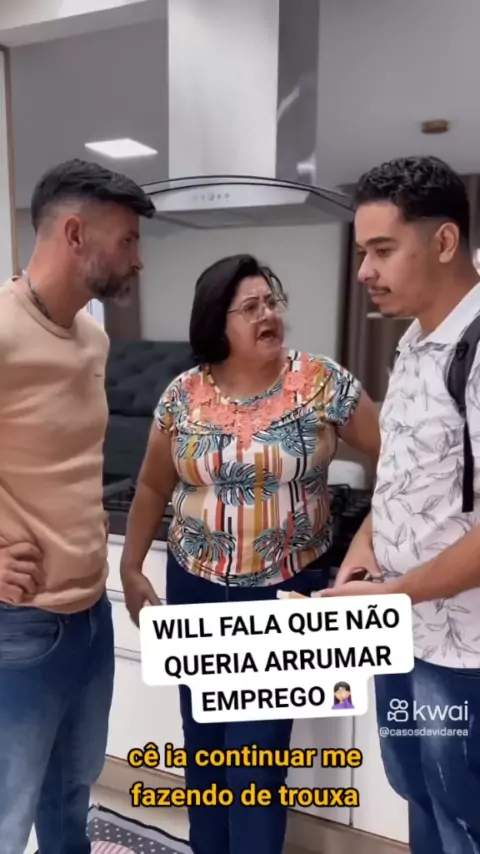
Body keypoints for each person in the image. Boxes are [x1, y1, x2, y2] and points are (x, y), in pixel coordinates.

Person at [120, 253, 379, 854]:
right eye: (251, 307)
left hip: (280, 591)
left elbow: (398, 463)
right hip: (194, 586)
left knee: (255, 763)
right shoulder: (182, 394)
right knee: (205, 749)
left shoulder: (319, 381)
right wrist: (131, 566)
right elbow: (153, 485)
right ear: (218, 321)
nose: (269, 315)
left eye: (272, 302)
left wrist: (368, 541)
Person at [322, 155, 480, 853]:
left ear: (443, 241)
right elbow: (401, 480)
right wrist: (361, 560)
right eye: (363, 253)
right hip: (401, 633)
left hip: (463, 652)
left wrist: (393, 594)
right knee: (419, 792)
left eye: (382, 250)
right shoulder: (415, 341)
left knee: (463, 812)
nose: (365, 271)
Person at [0, 158, 154, 854]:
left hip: (91, 617)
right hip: (19, 626)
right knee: (8, 814)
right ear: (74, 234)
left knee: (71, 796)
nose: (138, 259)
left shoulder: (94, 338)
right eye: (127, 240)